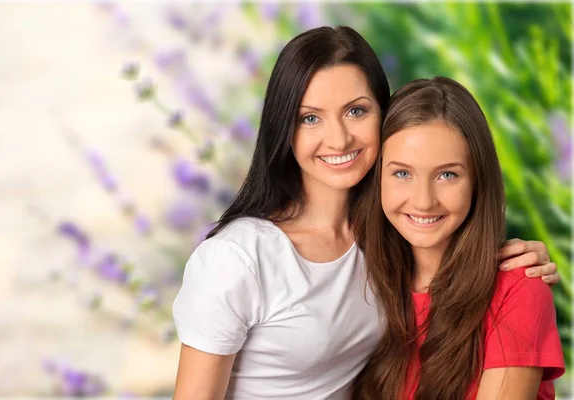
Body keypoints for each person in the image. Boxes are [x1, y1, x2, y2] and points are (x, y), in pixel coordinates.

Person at [171, 26, 560, 400]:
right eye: (310, 118)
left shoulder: (383, 242)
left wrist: (517, 266)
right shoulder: (237, 258)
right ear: (283, 129)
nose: (339, 138)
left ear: (384, 117)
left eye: (356, 111)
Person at [352, 76, 565, 400]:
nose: (424, 200)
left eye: (447, 175)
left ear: (477, 181)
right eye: (402, 173)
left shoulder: (518, 290)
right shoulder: (365, 283)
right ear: (378, 177)